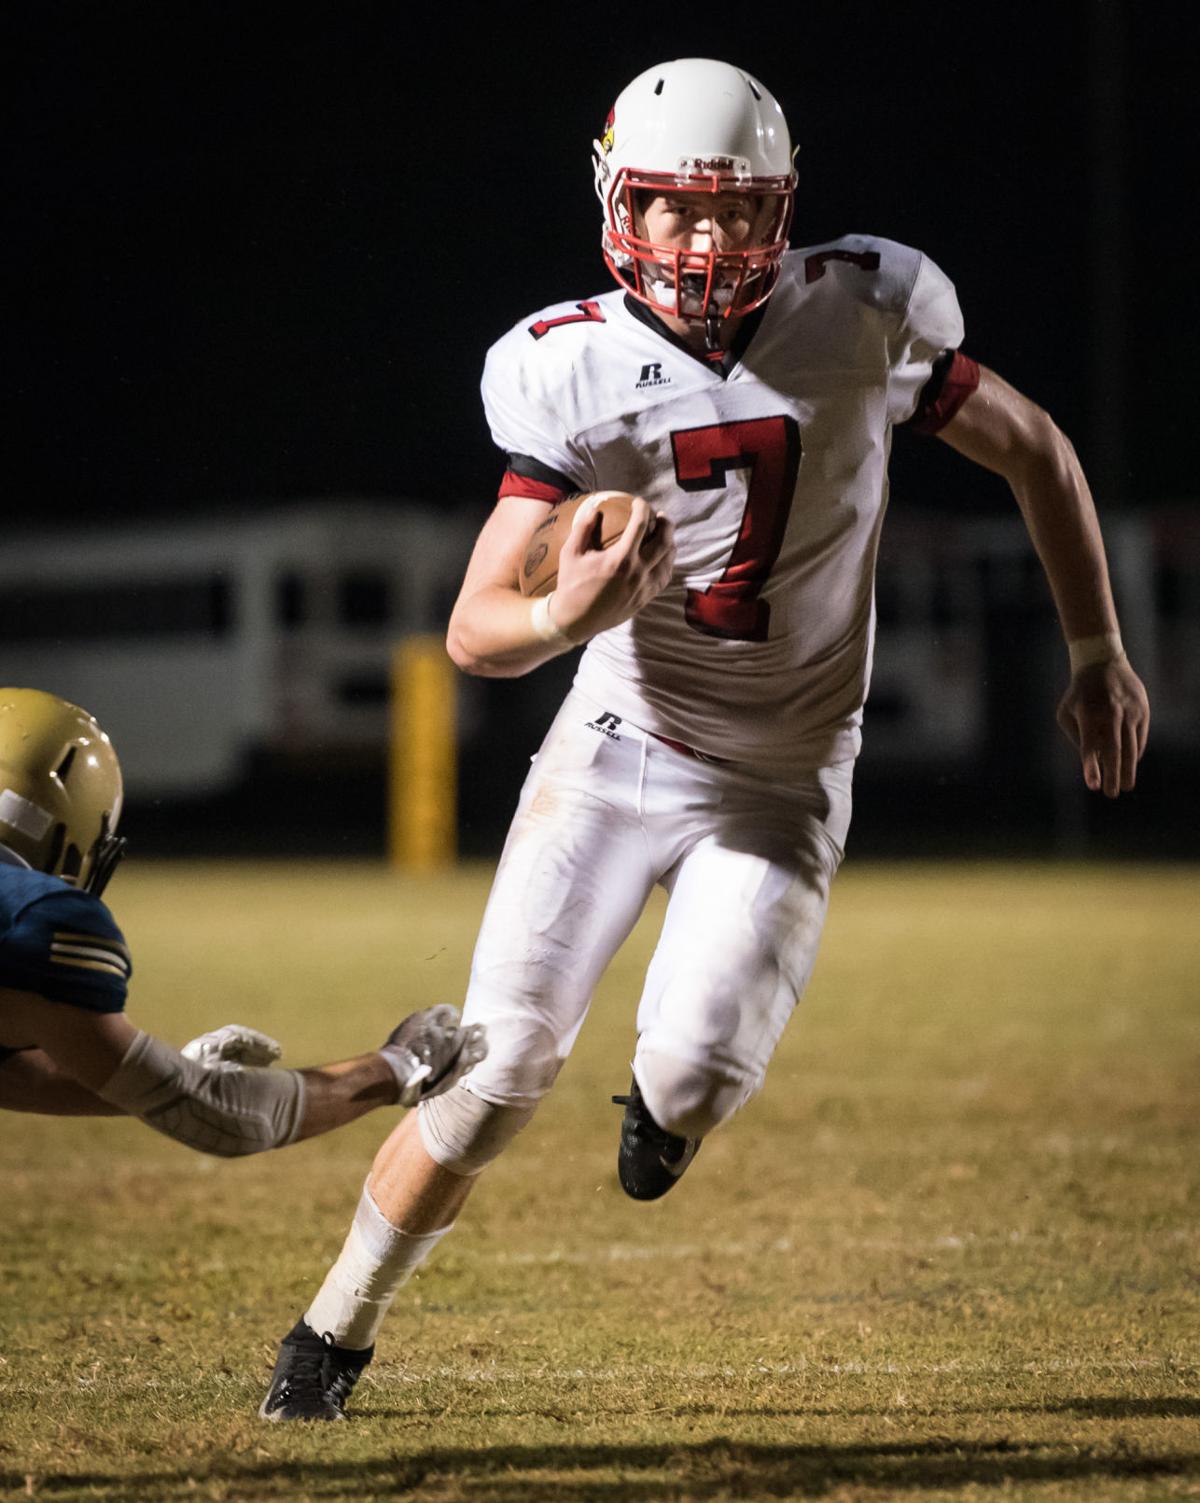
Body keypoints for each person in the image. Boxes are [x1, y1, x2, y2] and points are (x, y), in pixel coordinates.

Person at [259, 56, 1150, 1420]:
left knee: (690, 1071)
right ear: (622, 206)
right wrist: (570, 605)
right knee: (496, 1069)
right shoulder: (571, 365)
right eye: (676, 209)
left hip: (786, 775)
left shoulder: (865, 309)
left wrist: (1096, 647)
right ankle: (331, 1329)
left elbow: (1040, 450)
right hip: (617, 743)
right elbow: (475, 625)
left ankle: (663, 1109)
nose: (707, 241)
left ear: (783, 211)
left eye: (736, 212)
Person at [1, 686, 487, 1152]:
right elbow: (224, 1120)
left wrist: (168, 1072)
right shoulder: (35, 917)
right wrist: (397, 1067)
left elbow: (15, 1075)